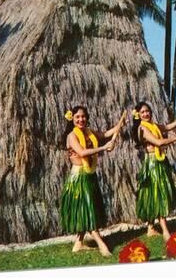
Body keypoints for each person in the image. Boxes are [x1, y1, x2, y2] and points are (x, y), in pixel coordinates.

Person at [60, 105, 121, 257]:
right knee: (88, 209)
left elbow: (105, 134)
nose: (81, 119)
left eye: (83, 116)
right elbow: (81, 152)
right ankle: (102, 245)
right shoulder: (71, 136)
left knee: (86, 209)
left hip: (89, 175)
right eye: (77, 117)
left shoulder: (89, 132)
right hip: (78, 177)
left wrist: (120, 125)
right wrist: (103, 148)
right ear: (72, 119)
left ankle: (78, 244)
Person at [132, 101, 176, 241]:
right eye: (142, 112)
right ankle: (165, 231)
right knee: (158, 193)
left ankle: (150, 228)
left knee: (152, 194)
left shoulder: (153, 125)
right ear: (138, 115)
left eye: (147, 111)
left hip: (160, 161)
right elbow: (159, 142)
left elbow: (166, 127)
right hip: (153, 164)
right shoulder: (143, 129)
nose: (146, 113)